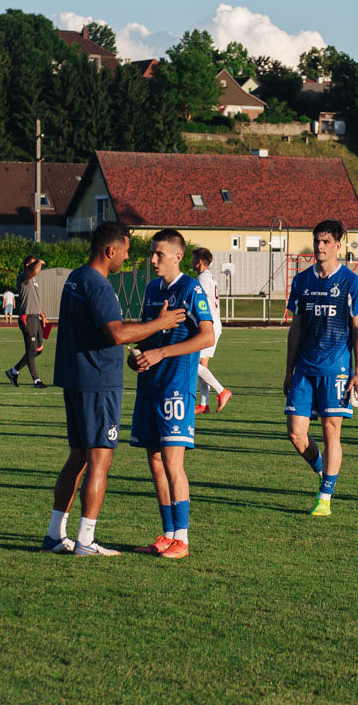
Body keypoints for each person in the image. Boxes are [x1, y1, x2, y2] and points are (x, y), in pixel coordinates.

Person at [44, 222, 184, 557]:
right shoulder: (98, 284)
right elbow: (116, 333)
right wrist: (161, 323)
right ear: (110, 251)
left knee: (78, 456)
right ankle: (85, 540)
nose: (127, 257)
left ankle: (54, 535)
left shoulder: (77, 277)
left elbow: (98, 332)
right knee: (100, 459)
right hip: (97, 383)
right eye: (125, 251)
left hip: (76, 379)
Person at [128, 229, 215, 559]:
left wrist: (163, 353)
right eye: (152, 253)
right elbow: (147, 334)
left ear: (178, 257)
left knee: (172, 462)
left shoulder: (191, 289)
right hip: (149, 385)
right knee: (154, 461)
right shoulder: (152, 289)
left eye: (159, 254)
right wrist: (137, 355)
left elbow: (207, 337)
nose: (153, 259)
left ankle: (183, 537)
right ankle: (167, 534)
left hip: (176, 387)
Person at [283, 219, 358, 517]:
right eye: (317, 241)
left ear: (338, 245)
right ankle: (323, 470)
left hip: (336, 369)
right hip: (304, 368)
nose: (319, 246)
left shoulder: (351, 282)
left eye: (326, 242)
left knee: (331, 431)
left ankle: (325, 497)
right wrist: (288, 370)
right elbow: (295, 328)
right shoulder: (301, 281)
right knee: (295, 433)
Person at [192, 248, 232, 414]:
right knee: (202, 365)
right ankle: (204, 404)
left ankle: (222, 391)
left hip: (208, 323)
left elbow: (200, 303)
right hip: (214, 323)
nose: (192, 262)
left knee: (193, 363)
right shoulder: (210, 277)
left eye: (194, 259)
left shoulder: (202, 278)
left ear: (200, 261)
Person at [5, 257, 46, 388]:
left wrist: (41, 313)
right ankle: (36, 380)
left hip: (35, 316)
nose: (36, 265)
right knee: (31, 349)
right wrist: (39, 262)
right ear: (28, 265)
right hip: (27, 317)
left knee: (38, 349)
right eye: (33, 263)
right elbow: (35, 270)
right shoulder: (23, 276)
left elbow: (32, 298)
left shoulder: (33, 279)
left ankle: (13, 371)